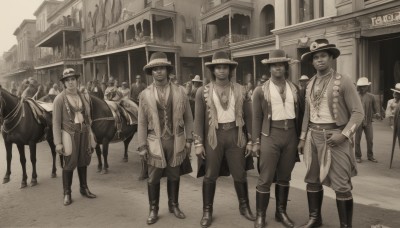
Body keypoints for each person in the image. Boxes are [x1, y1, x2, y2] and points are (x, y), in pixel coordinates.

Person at [298, 39, 364, 228]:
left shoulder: (343, 81)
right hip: (312, 136)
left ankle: (345, 225)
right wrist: (302, 138)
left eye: (323, 56)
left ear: (331, 57)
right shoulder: (309, 84)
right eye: (316, 57)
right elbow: (307, 115)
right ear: (312, 61)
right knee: (311, 179)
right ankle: (315, 219)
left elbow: (358, 113)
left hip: (335, 136)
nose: (319, 60)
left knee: (341, 184)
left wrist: (343, 135)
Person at [194, 51, 255, 228]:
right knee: (210, 174)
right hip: (214, 136)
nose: (221, 70)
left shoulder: (241, 89)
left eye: (225, 67)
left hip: (236, 135)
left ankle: (245, 207)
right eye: (218, 67)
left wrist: (251, 140)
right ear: (213, 70)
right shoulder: (202, 91)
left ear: (230, 69)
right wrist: (198, 143)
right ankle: (207, 211)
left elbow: (249, 117)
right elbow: (198, 119)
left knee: (240, 173)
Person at [137, 52, 193, 225]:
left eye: (161, 68)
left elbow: (189, 118)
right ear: (151, 72)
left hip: (175, 139)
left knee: (174, 175)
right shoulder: (145, 94)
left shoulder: (180, 91)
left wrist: (189, 139)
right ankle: (153, 209)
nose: (159, 72)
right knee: (153, 178)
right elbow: (142, 122)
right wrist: (142, 145)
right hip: (154, 141)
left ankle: (174, 205)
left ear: (167, 70)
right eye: (155, 69)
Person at [252, 49, 303, 228]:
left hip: (290, 136)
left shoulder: (295, 89)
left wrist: (301, 139)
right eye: (274, 65)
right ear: (269, 68)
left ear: (285, 67)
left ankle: (281, 212)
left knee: (284, 176)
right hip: (269, 135)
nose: (278, 68)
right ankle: (260, 215)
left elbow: (301, 114)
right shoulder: (260, 90)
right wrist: (255, 142)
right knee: (265, 177)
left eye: (281, 64)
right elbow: (256, 117)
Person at [52, 68, 96, 206]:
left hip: (83, 132)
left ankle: (84, 188)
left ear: (77, 81)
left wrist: (91, 134)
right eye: (67, 80)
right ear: (64, 83)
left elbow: (88, 117)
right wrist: (58, 142)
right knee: (69, 163)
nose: (71, 82)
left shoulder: (82, 96)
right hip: (68, 133)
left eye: (73, 79)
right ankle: (67, 193)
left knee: (83, 160)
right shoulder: (59, 98)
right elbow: (56, 122)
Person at [355, 77, 380, 163]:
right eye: (360, 86)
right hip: (358, 121)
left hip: (368, 121)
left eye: (364, 86)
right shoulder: (355, 96)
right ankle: (358, 156)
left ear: (367, 87)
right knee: (357, 140)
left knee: (370, 140)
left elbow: (375, 108)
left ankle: (370, 156)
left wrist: (377, 113)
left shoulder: (371, 97)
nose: (362, 88)